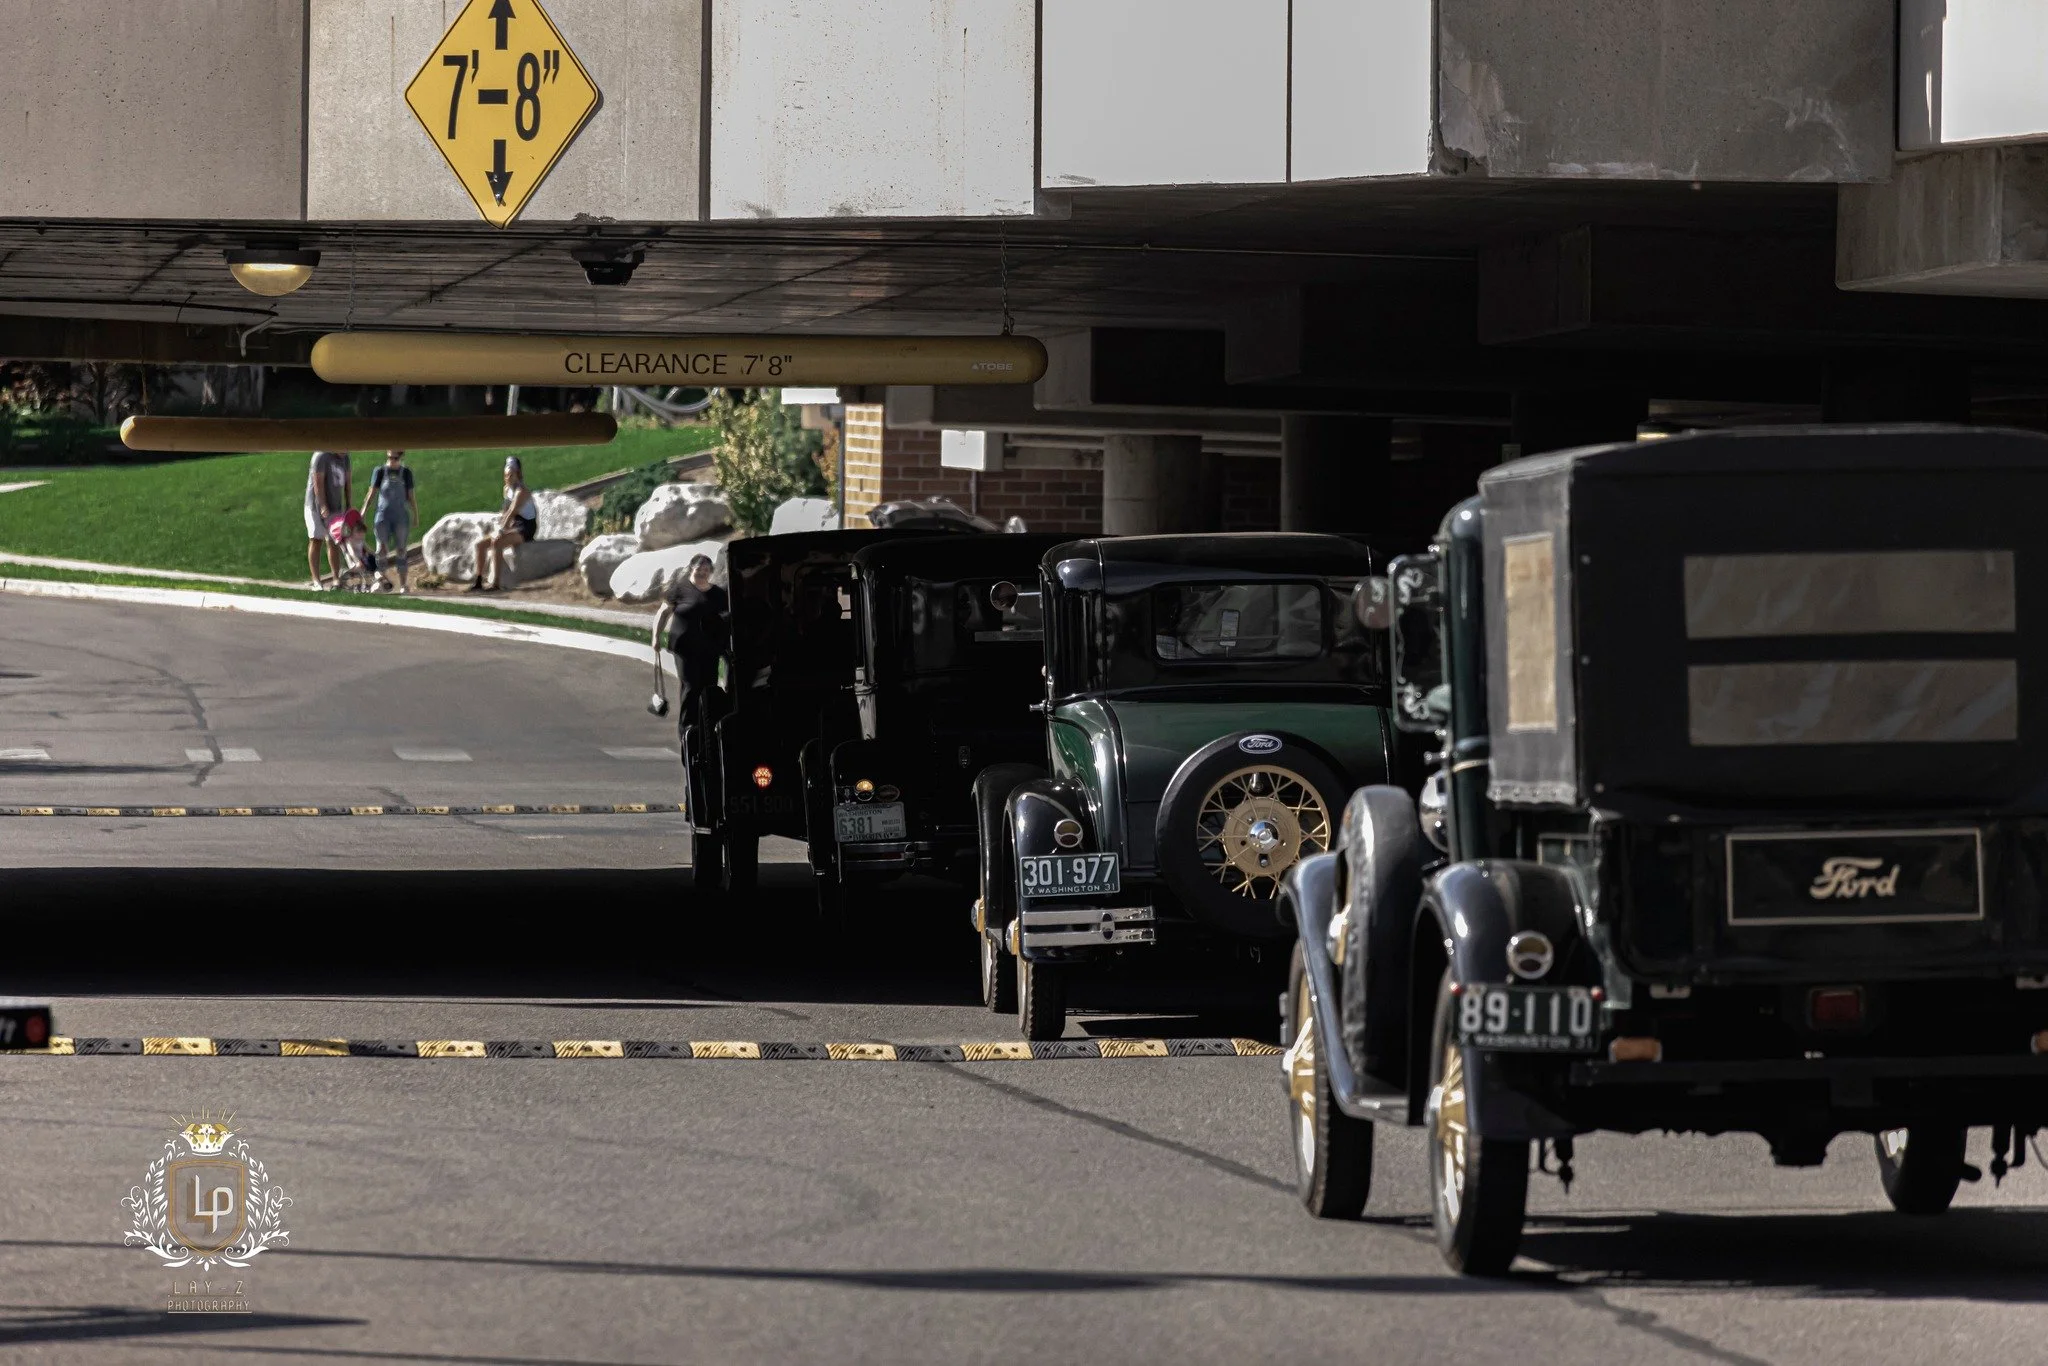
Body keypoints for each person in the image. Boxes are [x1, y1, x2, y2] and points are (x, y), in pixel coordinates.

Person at [664, 554, 729, 745]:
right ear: (691, 569)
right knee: (691, 687)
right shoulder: (681, 589)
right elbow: (663, 611)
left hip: (710, 648)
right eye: (699, 569)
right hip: (685, 649)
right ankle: (687, 729)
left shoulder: (718, 594)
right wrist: (655, 638)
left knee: (709, 688)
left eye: (706, 569)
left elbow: (726, 617)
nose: (702, 572)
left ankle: (707, 729)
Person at [469, 456, 539, 592]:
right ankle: (478, 580)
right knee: (480, 545)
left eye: (511, 474)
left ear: (518, 474)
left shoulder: (522, 492)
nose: (508, 478)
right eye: (506, 475)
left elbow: (513, 511)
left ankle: (496, 583)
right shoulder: (507, 490)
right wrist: (499, 526)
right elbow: (505, 512)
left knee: (497, 542)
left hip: (525, 528)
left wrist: (501, 531)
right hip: (513, 526)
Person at [361, 449, 418, 593]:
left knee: (401, 550)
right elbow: (371, 493)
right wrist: (363, 512)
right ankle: (381, 582)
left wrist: (415, 514)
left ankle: (404, 584)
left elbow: (411, 496)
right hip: (383, 516)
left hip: (400, 516)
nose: (391, 460)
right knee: (381, 549)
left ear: (400, 457)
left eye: (395, 458)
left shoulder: (406, 473)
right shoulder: (380, 471)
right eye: (389, 457)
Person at [304, 450, 351, 589]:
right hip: (315, 505)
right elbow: (318, 482)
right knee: (316, 539)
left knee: (334, 541)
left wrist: (349, 505)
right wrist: (323, 506)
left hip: (335, 505)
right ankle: (317, 581)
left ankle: (336, 579)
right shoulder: (321, 456)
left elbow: (348, 481)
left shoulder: (346, 458)